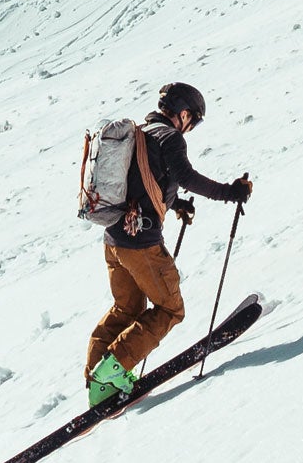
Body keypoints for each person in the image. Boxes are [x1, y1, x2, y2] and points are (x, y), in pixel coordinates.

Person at [86, 82, 251, 407]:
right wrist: (229, 192)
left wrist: (175, 204)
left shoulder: (141, 133)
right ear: (184, 113)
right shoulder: (170, 137)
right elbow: (185, 175)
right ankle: (113, 369)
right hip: (141, 245)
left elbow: (144, 180)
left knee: (127, 309)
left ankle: (97, 379)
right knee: (170, 308)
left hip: (114, 240)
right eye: (195, 120)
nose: (192, 127)